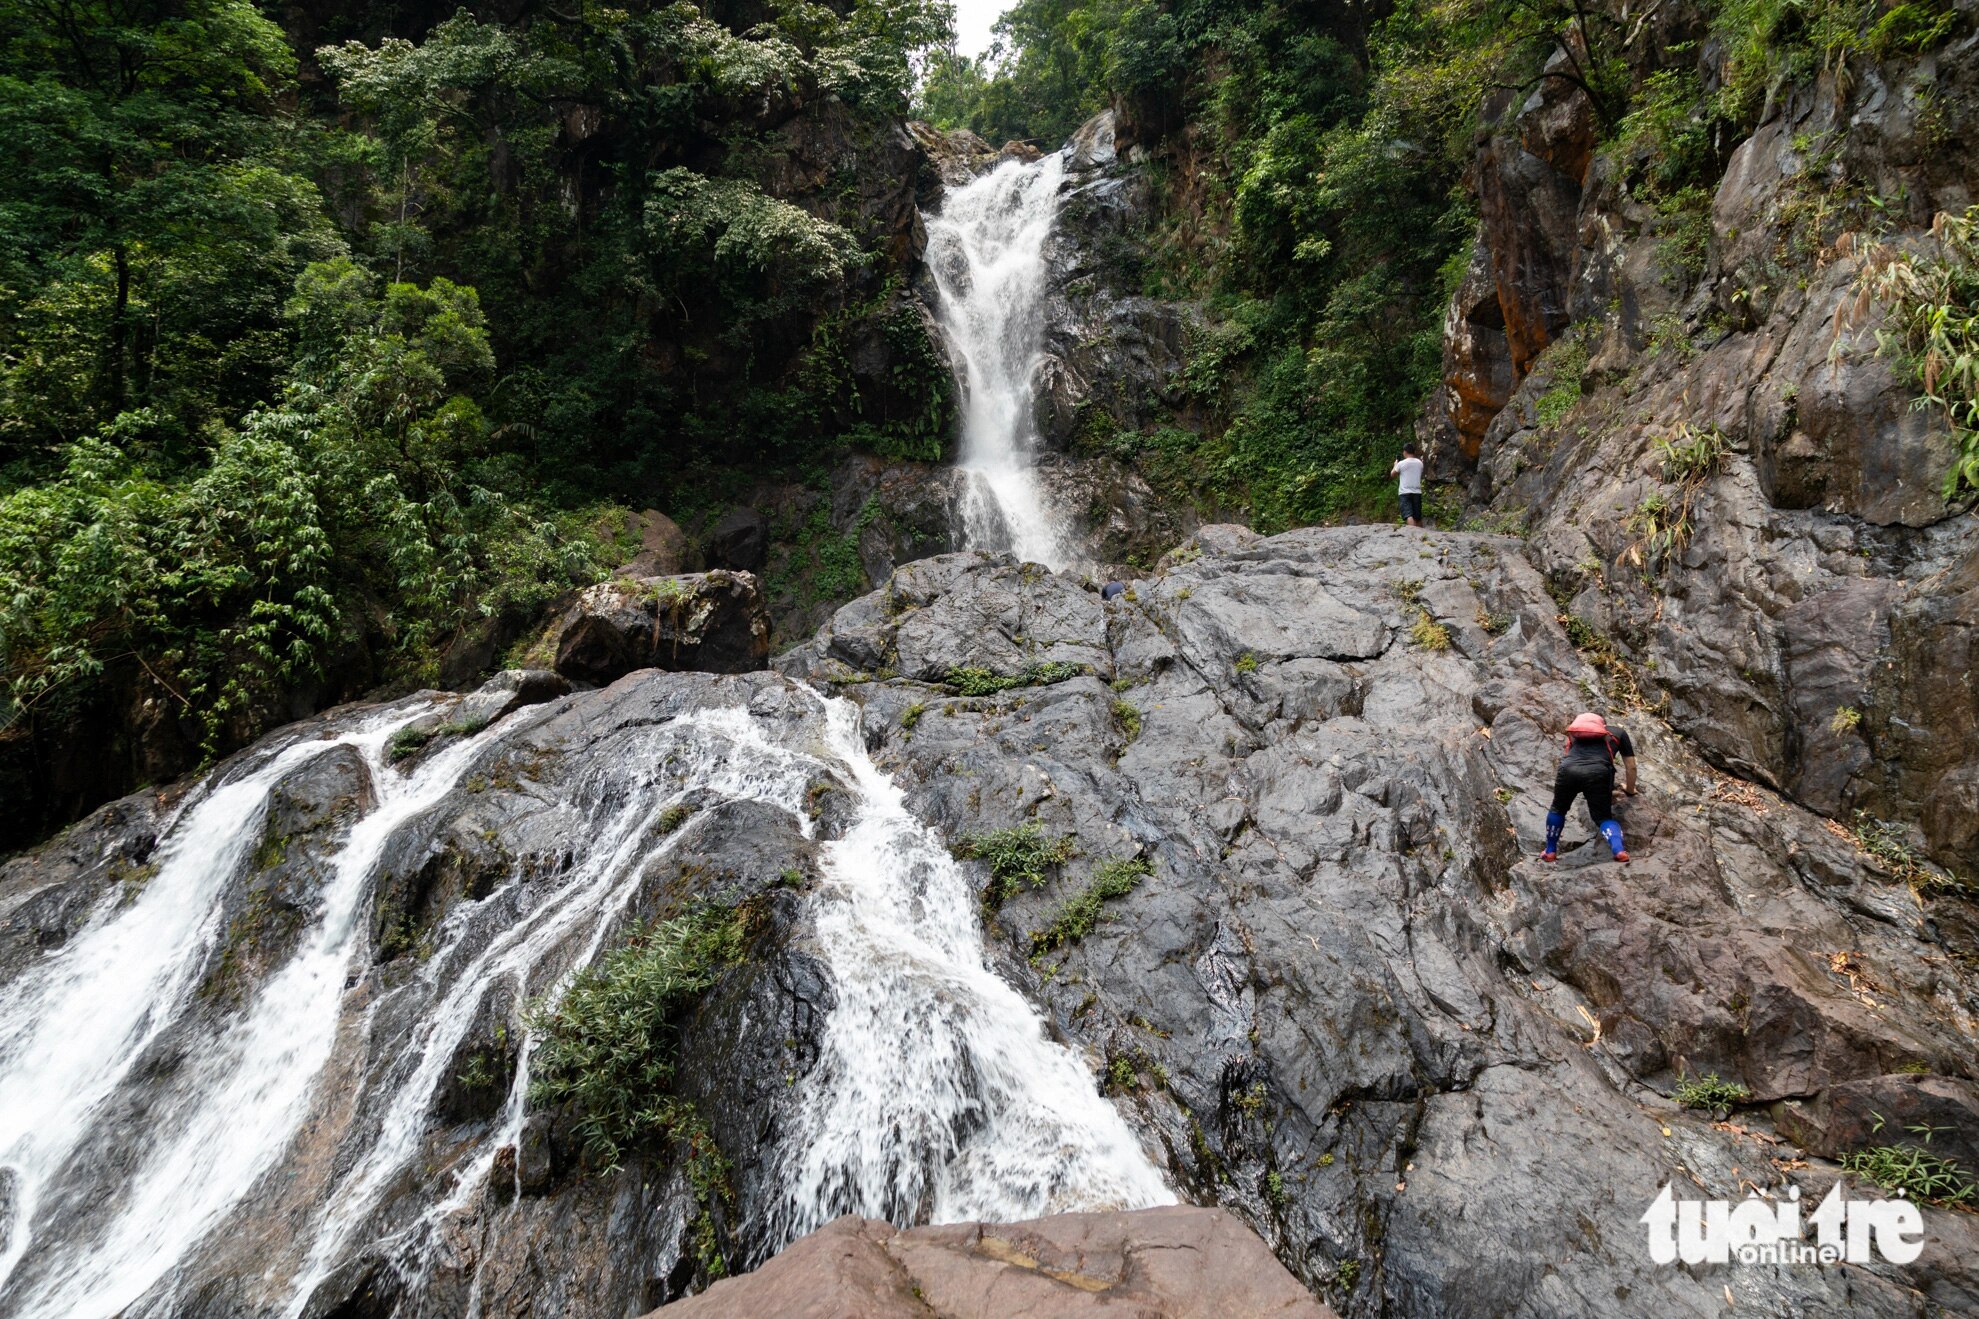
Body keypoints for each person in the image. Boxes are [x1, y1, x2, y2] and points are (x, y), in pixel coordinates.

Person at [1542, 711, 1638, 863]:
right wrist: (1630, 789)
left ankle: (1550, 851)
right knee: (1603, 817)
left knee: (1558, 809)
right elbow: (1631, 766)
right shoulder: (1618, 733)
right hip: (1598, 773)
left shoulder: (1577, 734)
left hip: (1568, 770)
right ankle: (1619, 850)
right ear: (1603, 725)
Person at [1391, 443, 1425, 527]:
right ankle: (1422, 535)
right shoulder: (1420, 463)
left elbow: (1392, 475)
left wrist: (1395, 465)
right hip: (1417, 492)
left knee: (1408, 515)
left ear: (1405, 452)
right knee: (1417, 516)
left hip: (1405, 492)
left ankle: (1412, 535)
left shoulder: (1401, 463)